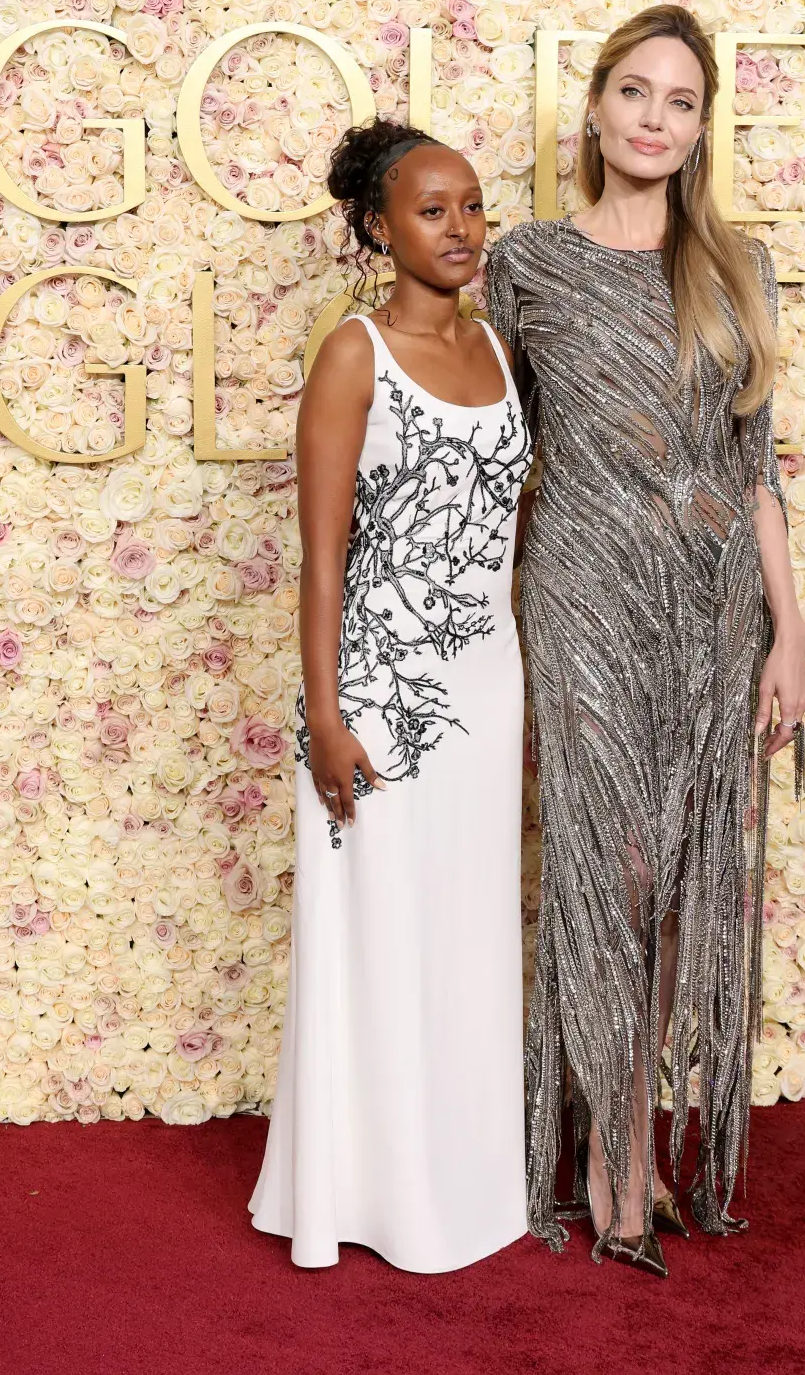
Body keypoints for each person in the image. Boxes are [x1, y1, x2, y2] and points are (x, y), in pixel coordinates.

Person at [486, 4, 805, 1276]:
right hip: (582, 589)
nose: (653, 119)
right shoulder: (526, 263)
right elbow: (485, 446)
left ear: (701, 126)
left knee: (681, 891)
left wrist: (791, 632)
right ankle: (612, 1166)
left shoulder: (740, 268)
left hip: (715, 603)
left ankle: (650, 1148)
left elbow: (758, 462)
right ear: (597, 108)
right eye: (634, 92)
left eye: (679, 102)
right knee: (608, 872)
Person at [249, 117, 532, 1273]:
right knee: (378, 936)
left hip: (486, 684)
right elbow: (324, 556)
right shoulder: (352, 353)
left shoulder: (504, 353)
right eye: (432, 209)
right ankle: (369, 1198)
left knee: (464, 937)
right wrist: (324, 714)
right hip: (379, 698)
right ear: (376, 225)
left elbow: (510, 533)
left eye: (471, 205)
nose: (461, 228)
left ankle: (463, 1184)